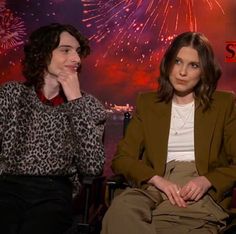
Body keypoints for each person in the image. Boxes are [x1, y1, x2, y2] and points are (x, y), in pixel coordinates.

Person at [101, 32, 236, 234]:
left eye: (193, 65)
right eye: (178, 61)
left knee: (173, 225)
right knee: (119, 213)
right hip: (153, 183)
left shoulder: (224, 104)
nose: (182, 72)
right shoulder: (147, 103)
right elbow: (122, 159)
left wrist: (207, 180)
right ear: (168, 63)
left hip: (197, 188)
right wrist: (156, 179)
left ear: (204, 71)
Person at [0, 23, 106, 234]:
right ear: (42, 54)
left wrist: (76, 101)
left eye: (77, 52)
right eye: (65, 50)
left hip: (54, 191)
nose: (76, 58)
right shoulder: (10, 94)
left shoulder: (90, 106)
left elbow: (92, 167)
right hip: (7, 186)